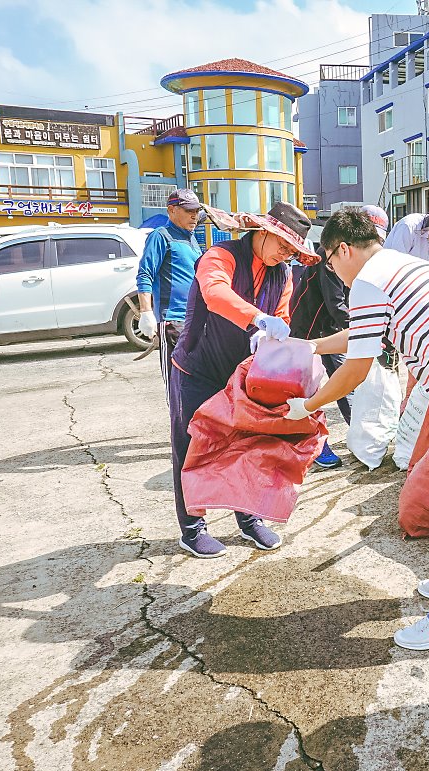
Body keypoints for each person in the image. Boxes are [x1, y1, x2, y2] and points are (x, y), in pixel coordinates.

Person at [286, 207, 429, 651]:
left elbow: (355, 369)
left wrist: (309, 405)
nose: (332, 271)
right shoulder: (399, 265)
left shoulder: (369, 281)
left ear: (342, 249)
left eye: (330, 260)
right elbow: (362, 339)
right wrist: (308, 345)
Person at [168, 202, 320, 559]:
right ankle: (191, 529)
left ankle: (249, 520)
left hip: (243, 375)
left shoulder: (282, 274)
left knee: (249, 444)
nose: (286, 254)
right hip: (198, 368)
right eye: (283, 244)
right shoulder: (221, 255)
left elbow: (281, 317)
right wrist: (258, 319)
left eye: (293, 250)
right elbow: (215, 293)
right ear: (263, 232)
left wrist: (270, 335)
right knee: (191, 445)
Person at [289, 204, 389, 469]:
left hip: (335, 328)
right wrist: (367, 331)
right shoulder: (330, 259)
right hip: (310, 327)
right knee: (310, 389)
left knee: (347, 388)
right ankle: (319, 445)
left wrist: (368, 331)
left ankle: (361, 438)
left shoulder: (366, 267)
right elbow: (337, 305)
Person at [135, 189, 203, 383]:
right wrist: (146, 312)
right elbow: (145, 273)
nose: (194, 216)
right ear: (172, 210)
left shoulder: (191, 238)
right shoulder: (161, 236)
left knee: (194, 381)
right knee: (176, 382)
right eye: (189, 211)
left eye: (197, 211)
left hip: (194, 319)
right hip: (173, 321)